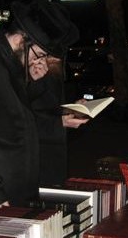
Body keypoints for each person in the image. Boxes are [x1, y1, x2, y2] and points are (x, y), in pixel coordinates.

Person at [0, 0, 80, 220]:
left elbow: (12, 117)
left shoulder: (9, 63)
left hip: (17, 194)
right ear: (22, 40)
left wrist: (33, 83)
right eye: (40, 54)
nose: (40, 60)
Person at [29, 42, 89, 187]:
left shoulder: (54, 74)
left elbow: (53, 108)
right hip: (36, 152)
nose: (56, 60)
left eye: (59, 56)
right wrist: (60, 122)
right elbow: (24, 118)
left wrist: (72, 109)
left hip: (56, 149)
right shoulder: (31, 75)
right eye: (50, 55)